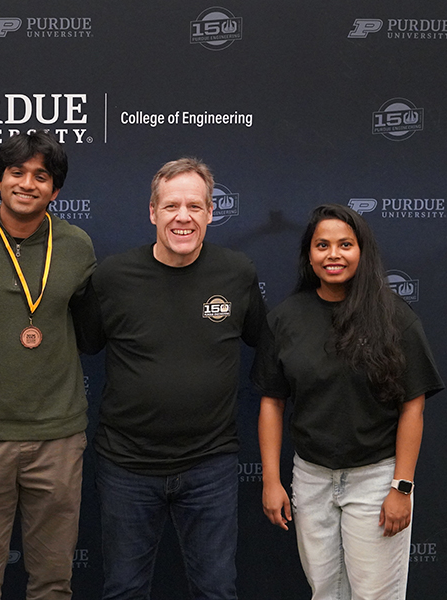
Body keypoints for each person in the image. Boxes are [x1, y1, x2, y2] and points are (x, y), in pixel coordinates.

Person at [82, 157, 266, 600]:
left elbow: (268, 347)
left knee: (217, 590)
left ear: (209, 213)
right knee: (124, 589)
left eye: (195, 206)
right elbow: (85, 344)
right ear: (152, 212)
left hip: (211, 465)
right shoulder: (112, 276)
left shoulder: (237, 273)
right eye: (171, 206)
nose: (183, 217)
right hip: (127, 465)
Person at [253, 204, 443, 599]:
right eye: (322, 245)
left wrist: (401, 488)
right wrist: (272, 481)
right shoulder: (285, 318)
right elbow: (272, 402)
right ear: (310, 254)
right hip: (311, 479)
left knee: (376, 595)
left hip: (375, 480)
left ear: (362, 251)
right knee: (324, 592)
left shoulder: (394, 317)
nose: (333, 254)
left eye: (345, 244)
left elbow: (413, 406)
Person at [0, 131, 96, 600]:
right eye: (17, 172)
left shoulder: (77, 245)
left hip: (58, 436)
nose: (27, 183)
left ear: (56, 190)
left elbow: (89, 329)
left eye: (41, 176)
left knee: (52, 583)